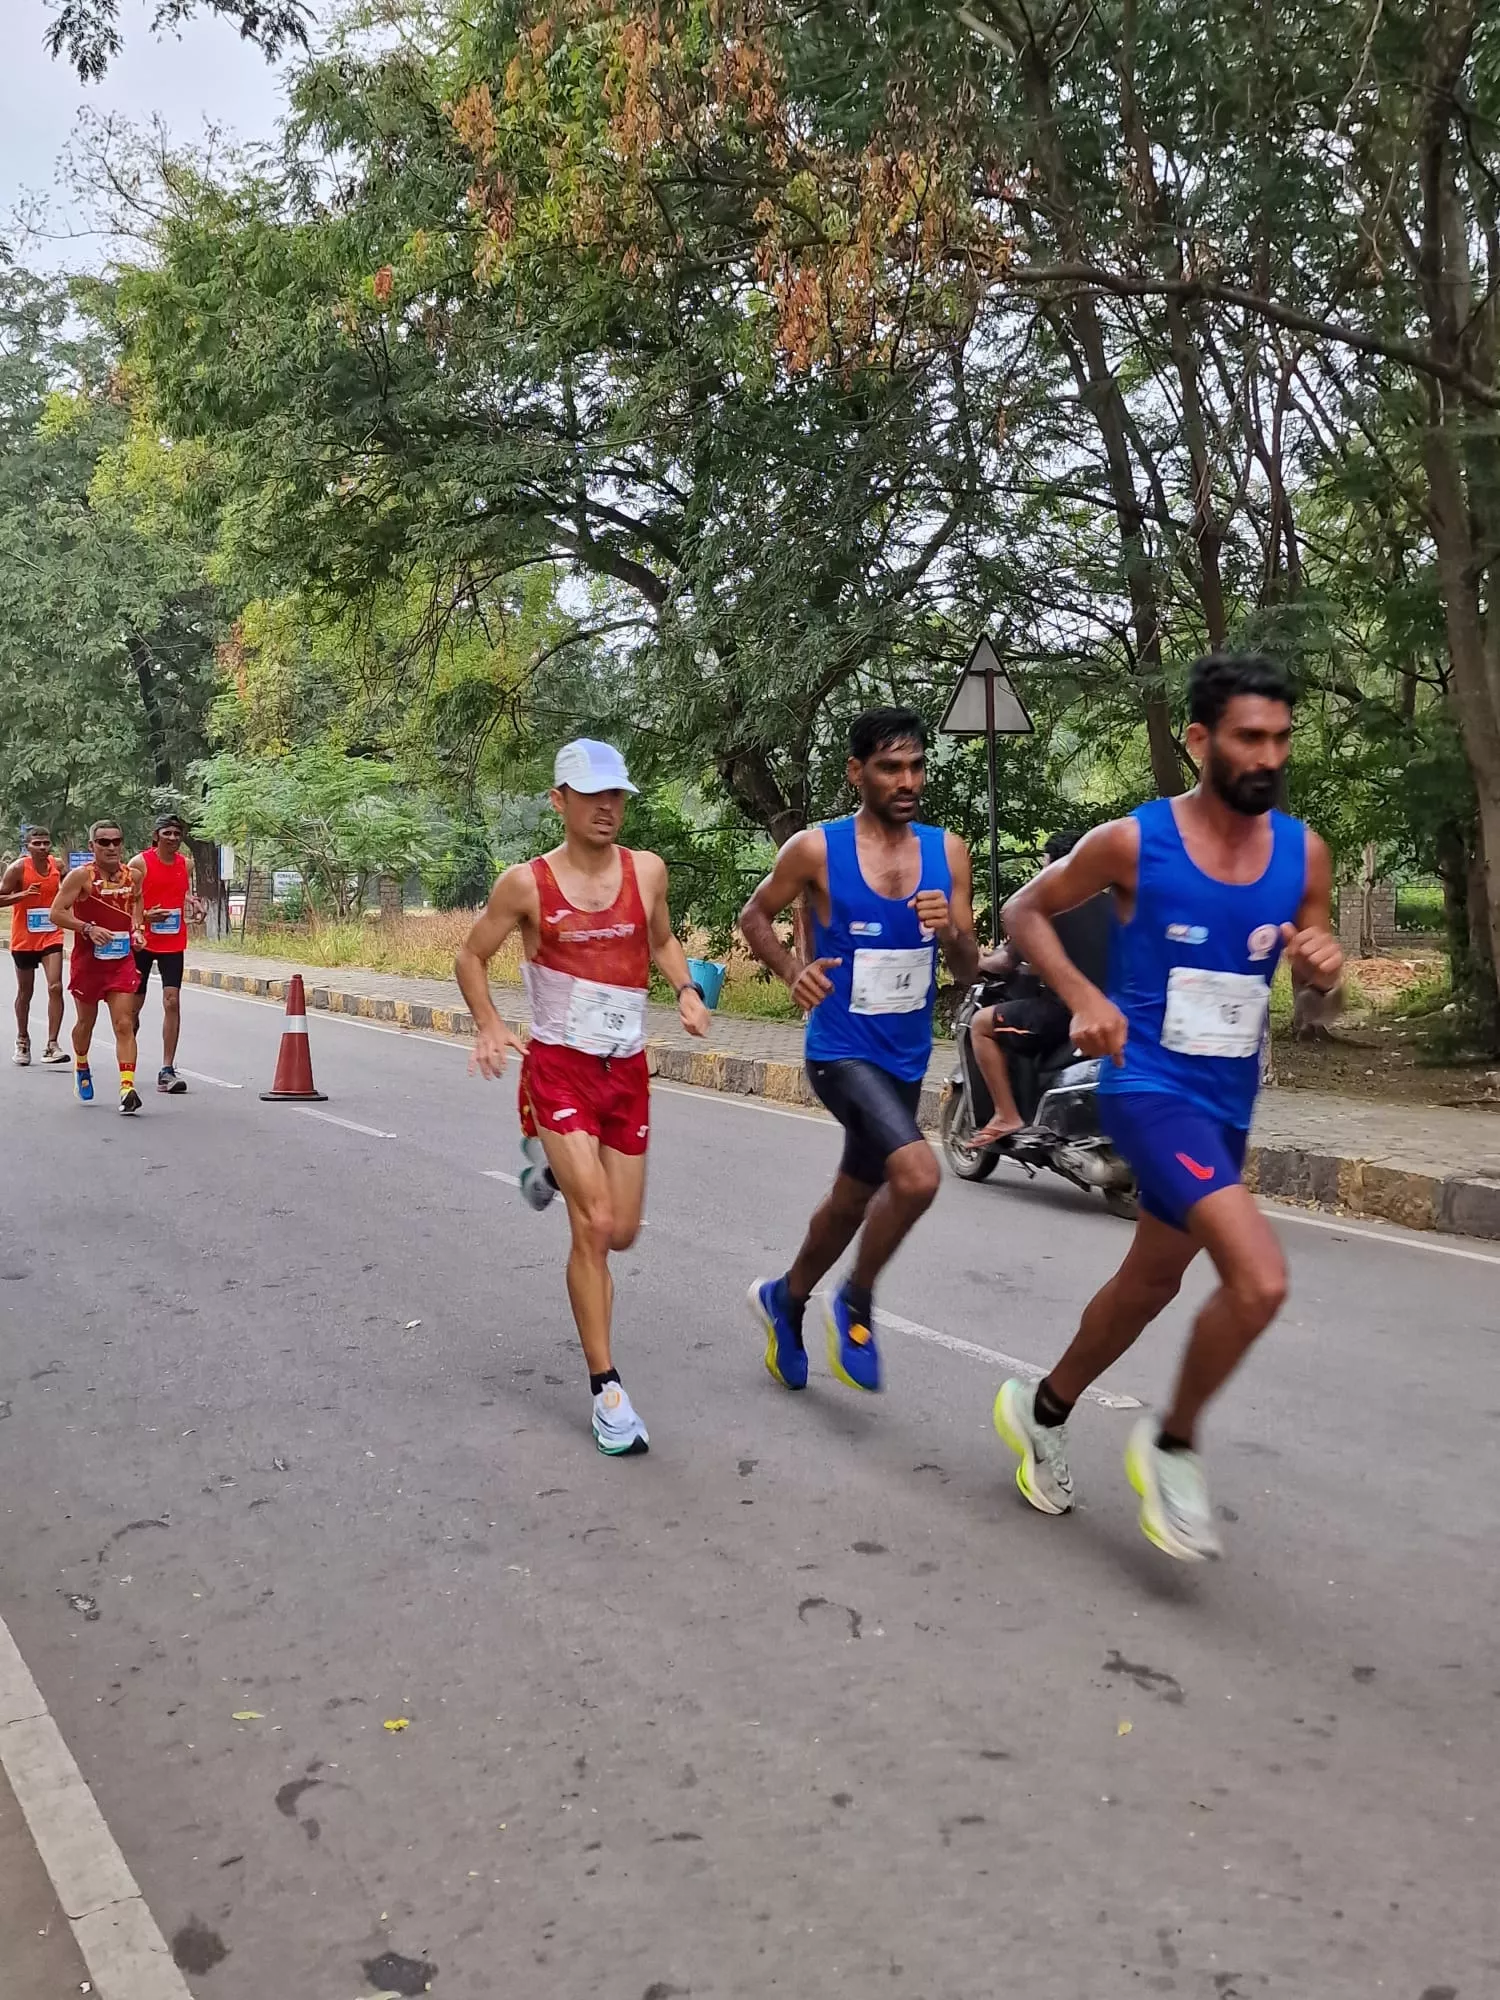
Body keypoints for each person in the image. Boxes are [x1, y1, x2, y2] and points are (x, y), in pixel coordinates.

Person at [993, 653, 1343, 1562]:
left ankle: (1041, 1410)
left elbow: (1317, 1001)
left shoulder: (1304, 854)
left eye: (1282, 739)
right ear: (1199, 740)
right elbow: (1023, 911)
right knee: (1260, 1280)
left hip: (1227, 1104)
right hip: (1147, 1088)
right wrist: (1083, 996)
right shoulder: (1133, 842)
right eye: (1249, 737)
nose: (1269, 756)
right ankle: (1172, 1442)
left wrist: (1320, 977)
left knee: (1150, 1284)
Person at [455, 739, 712, 1457]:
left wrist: (686, 988)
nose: (607, 807)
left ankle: (545, 1168)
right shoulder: (526, 885)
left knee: (623, 1230)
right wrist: (489, 1023)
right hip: (559, 1073)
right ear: (559, 800)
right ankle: (608, 1391)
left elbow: (662, 941)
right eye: (592, 795)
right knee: (594, 1224)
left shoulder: (647, 871)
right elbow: (470, 955)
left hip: (625, 1075)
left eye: (616, 795)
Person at [741, 708, 979, 1394]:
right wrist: (793, 971)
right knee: (918, 1176)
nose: (907, 781)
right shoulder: (816, 850)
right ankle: (856, 1298)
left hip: (905, 1058)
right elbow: (754, 916)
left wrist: (951, 931)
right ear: (857, 772)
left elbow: (968, 968)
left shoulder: (947, 852)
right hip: (840, 1051)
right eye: (889, 767)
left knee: (852, 1198)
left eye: (916, 767)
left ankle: (785, 1298)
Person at [968, 829, 1112, 1146]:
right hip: (1112, 1012)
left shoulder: (1044, 906)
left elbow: (1006, 962)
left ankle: (1007, 1114)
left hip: (1065, 1013)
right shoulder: (1115, 906)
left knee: (979, 1025)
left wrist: (978, 961)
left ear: (1055, 866)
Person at [50, 822, 147, 1114]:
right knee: (86, 1023)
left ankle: (127, 1088)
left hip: (121, 961)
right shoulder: (81, 877)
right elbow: (56, 913)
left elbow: (137, 902)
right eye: (104, 842)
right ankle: (81, 1064)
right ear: (92, 846)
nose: (111, 847)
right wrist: (87, 928)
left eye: (116, 841)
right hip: (89, 963)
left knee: (124, 1023)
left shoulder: (134, 876)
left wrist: (138, 930)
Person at [131, 812, 206, 1093]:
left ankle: (167, 1069)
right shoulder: (139, 863)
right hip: (142, 941)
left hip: (173, 941)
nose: (173, 839)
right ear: (156, 836)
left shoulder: (186, 864)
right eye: (167, 834)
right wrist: (145, 916)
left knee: (172, 1001)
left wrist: (193, 902)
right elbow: (125, 900)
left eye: (177, 834)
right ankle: (127, 1062)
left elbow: (179, 889)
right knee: (133, 1007)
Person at [2, 827, 70, 1066]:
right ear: (27, 846)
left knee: (55, 986)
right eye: (37, 843)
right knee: (25, 992)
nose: (42, 847)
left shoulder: (58, 866)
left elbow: (71, 889)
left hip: (51, 935)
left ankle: (52, 1044)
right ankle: (22, 1038)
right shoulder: (18, 868)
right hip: (24, 939)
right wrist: (22, 895)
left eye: (46, 843)